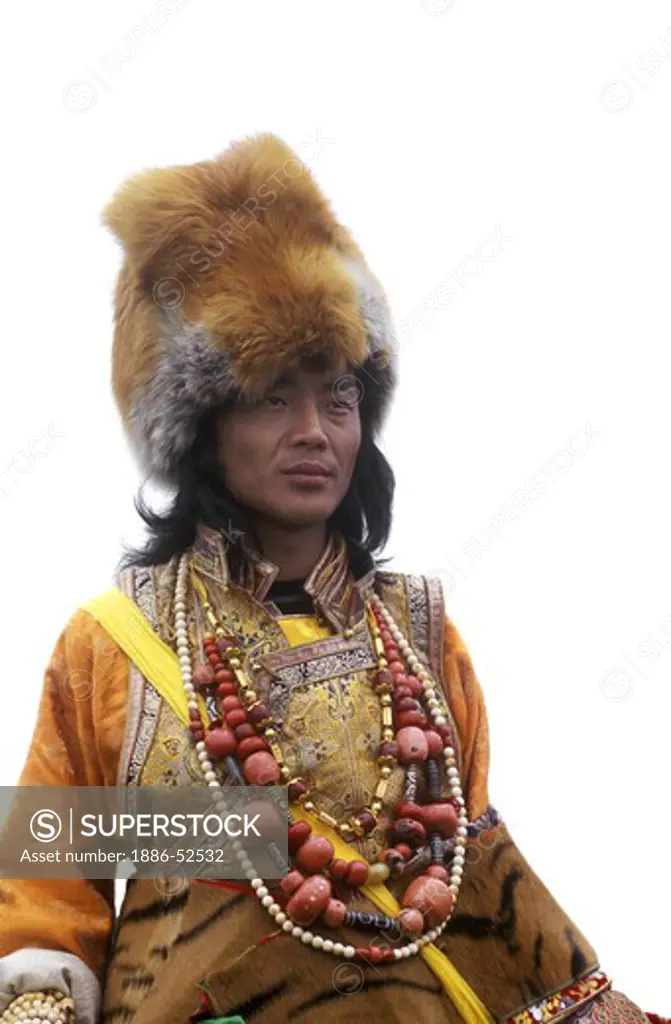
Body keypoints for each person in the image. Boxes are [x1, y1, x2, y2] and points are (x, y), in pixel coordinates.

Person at [0, 133, 664, 1024]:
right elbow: (45, 904)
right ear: (202, 425)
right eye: (273, 395)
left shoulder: (423, 635)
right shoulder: (110, 649)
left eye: (338, 399)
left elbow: (463, 884)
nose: (313, 430)